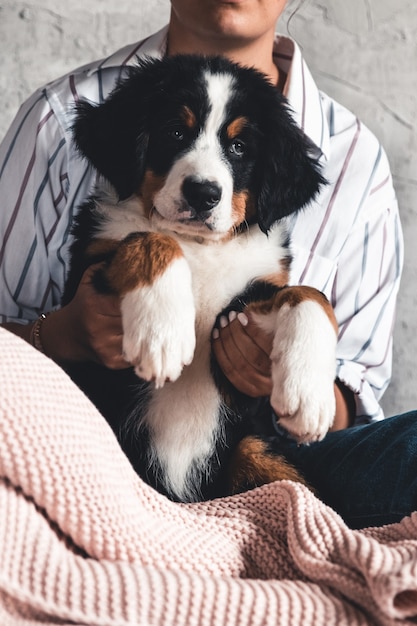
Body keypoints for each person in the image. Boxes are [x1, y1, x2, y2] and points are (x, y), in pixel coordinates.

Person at [0, 0, 413, 529]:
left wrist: (290, 361)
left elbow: (351, 416)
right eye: (177, 134)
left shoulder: (356, 159)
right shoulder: (61, 119)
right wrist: (59, 336)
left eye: (237, 149)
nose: (206, 174)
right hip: (89, 451)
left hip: (254, 461)